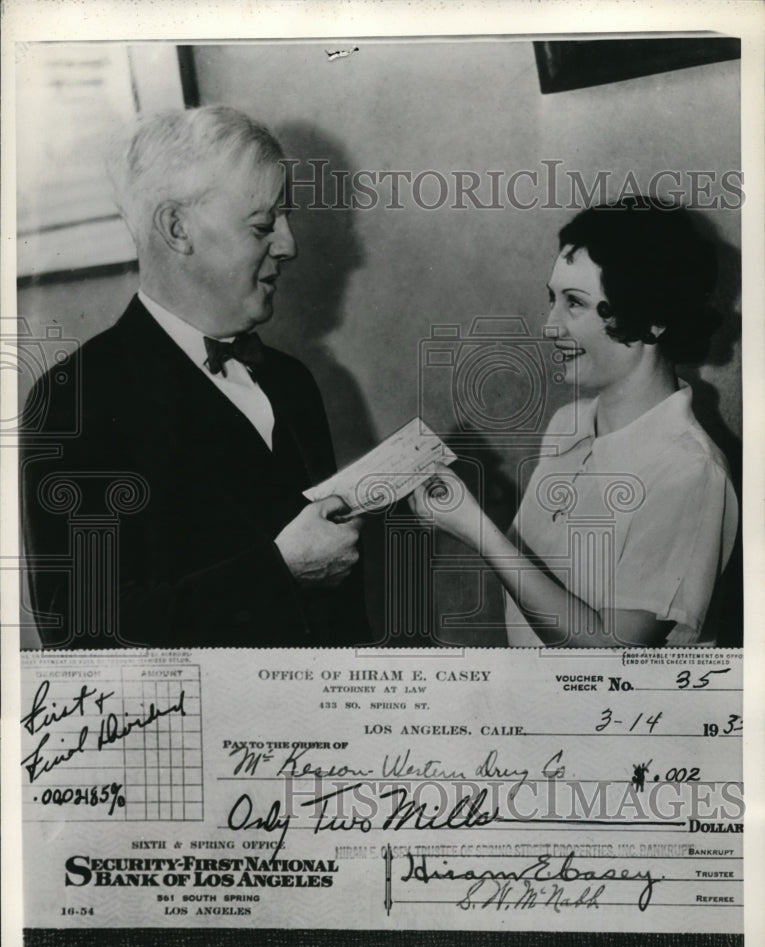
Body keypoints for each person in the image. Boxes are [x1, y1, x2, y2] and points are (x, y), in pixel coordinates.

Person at [21, 105, 369, 648]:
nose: (289, 244)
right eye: (263, 225)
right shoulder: (76, 398)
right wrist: (280, 571)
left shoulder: (292, 382)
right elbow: (81, 638)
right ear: (177, 229)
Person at [410, 198, 738, 647]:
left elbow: (610, 654)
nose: (549, 325)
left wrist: (478, 532)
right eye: (552, 299)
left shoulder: (690, 473)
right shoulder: (569, 424)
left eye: (575, 303)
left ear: (654, 319)